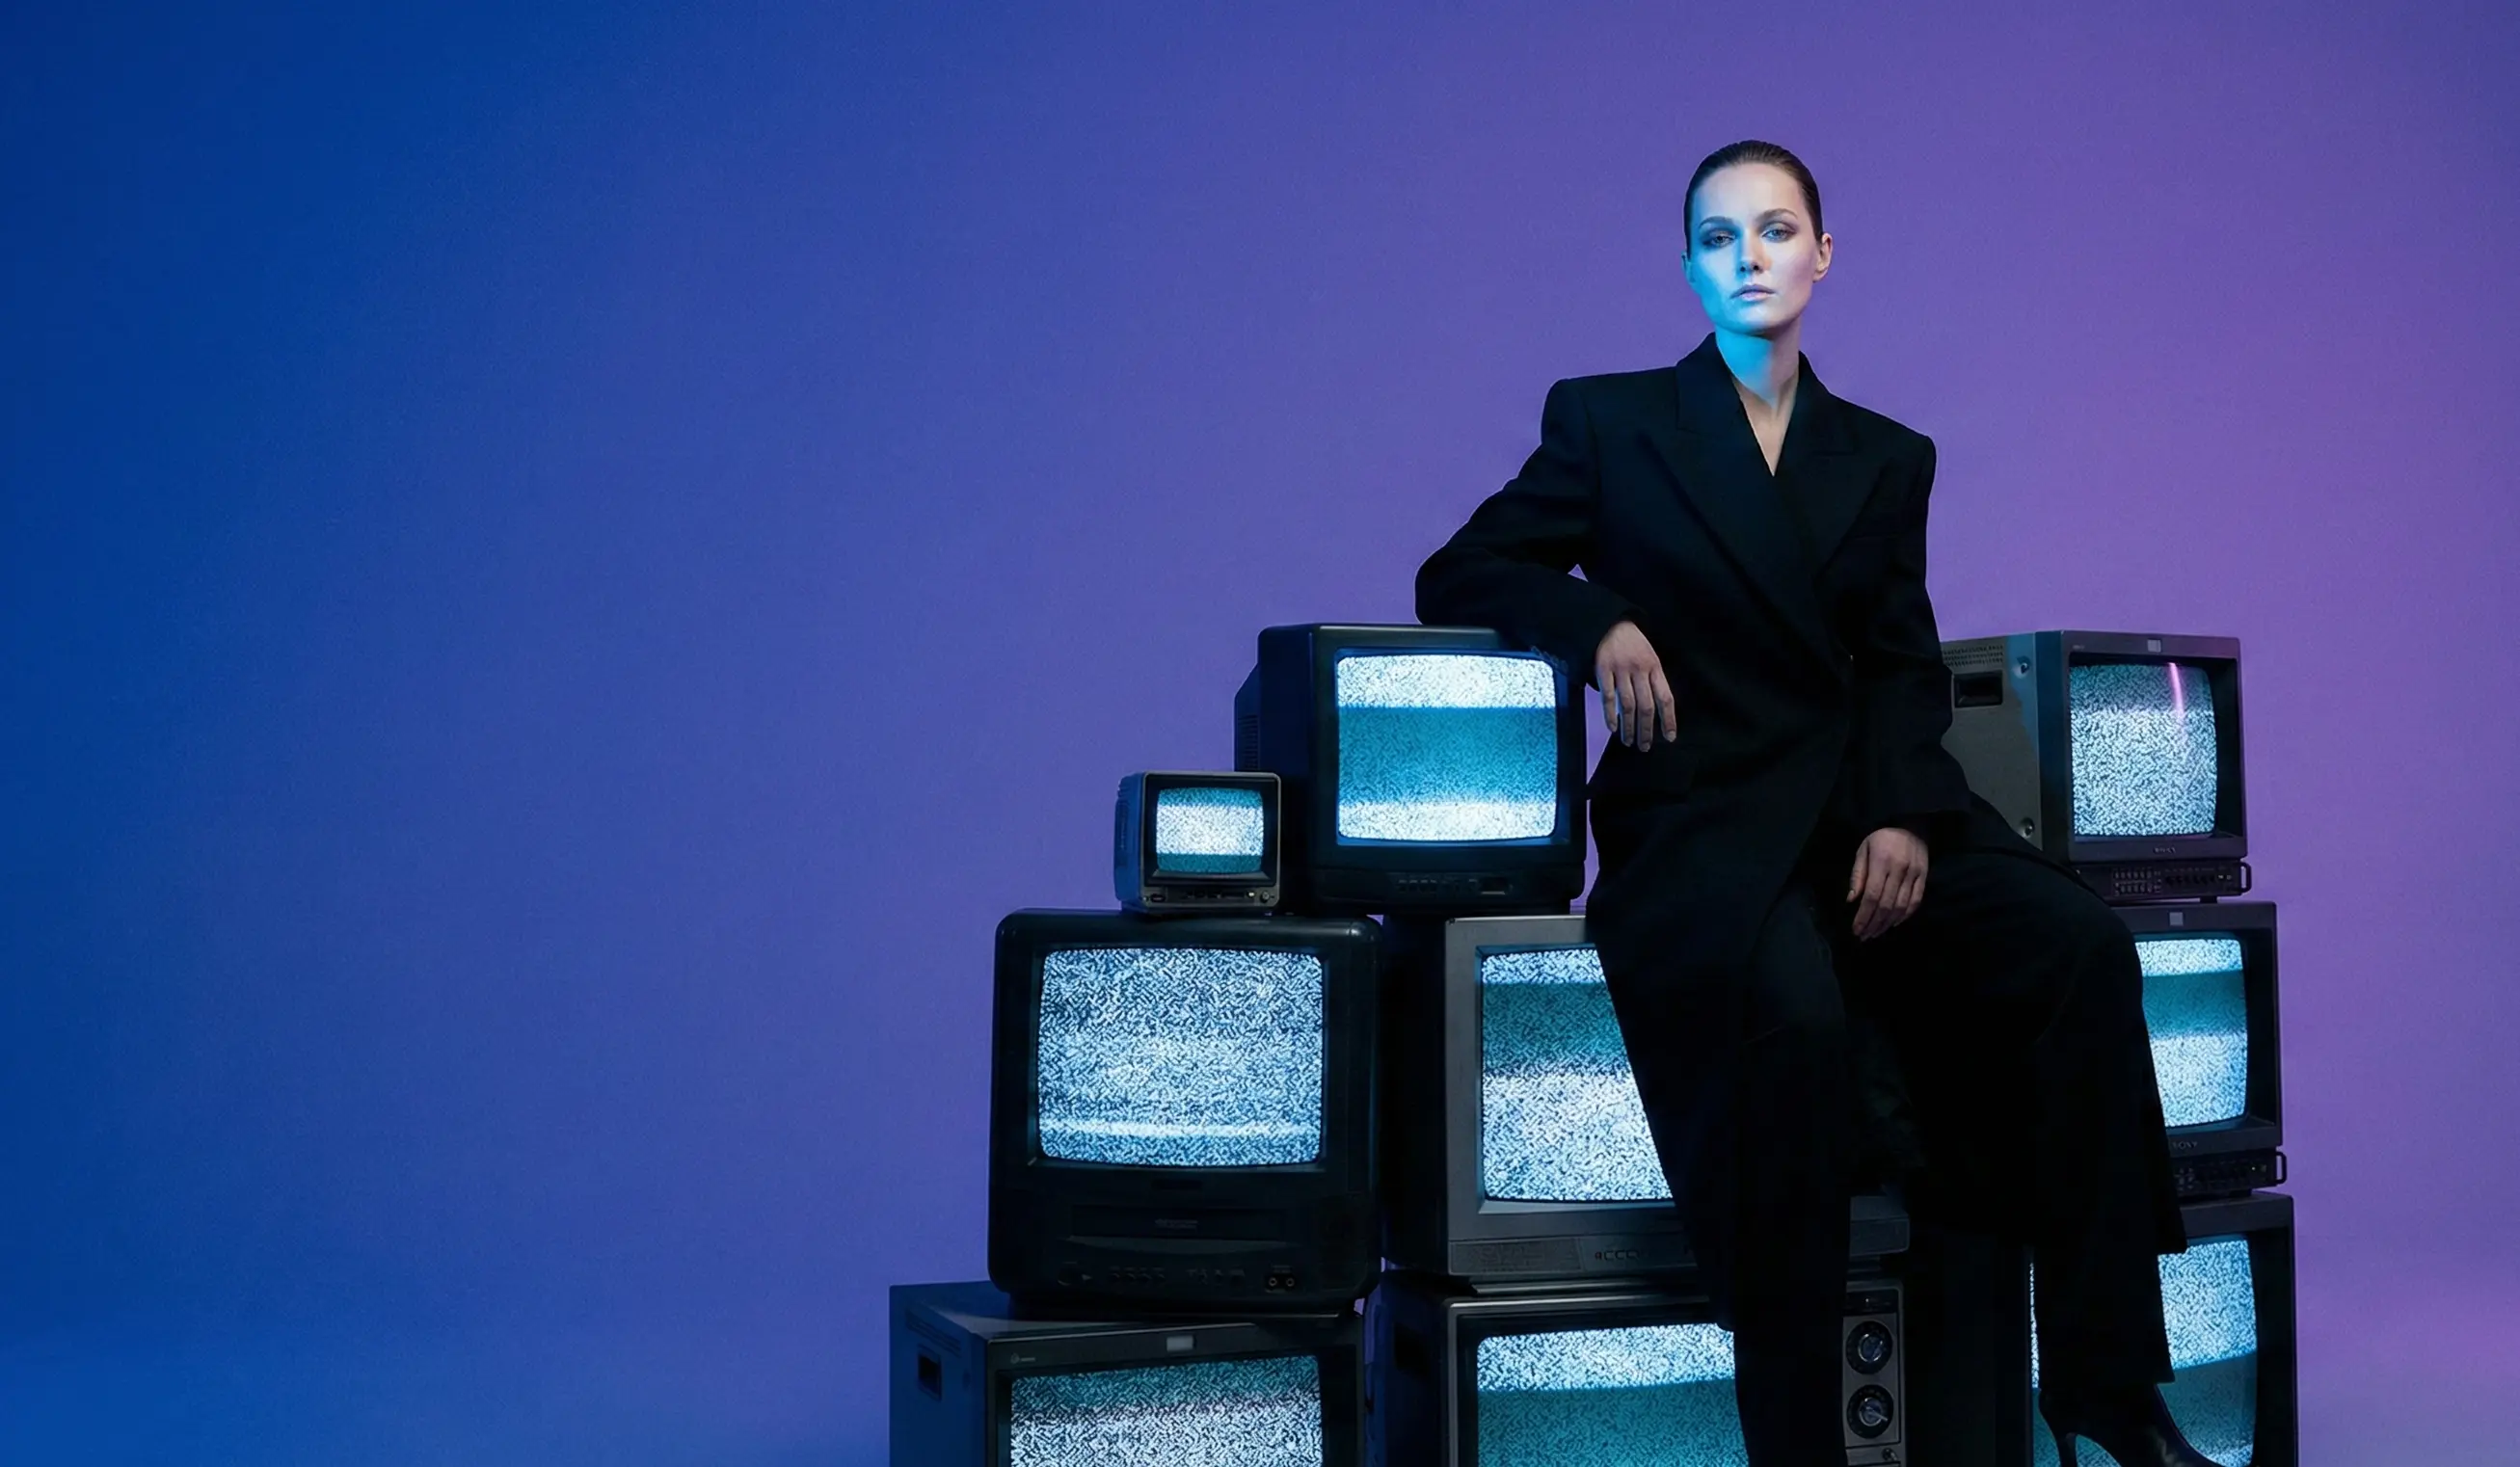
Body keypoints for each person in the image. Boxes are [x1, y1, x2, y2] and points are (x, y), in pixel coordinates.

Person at [1414, 139, 2210, 1467]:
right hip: (1704, 824)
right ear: (1688, 268)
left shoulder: (1886, 456)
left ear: (1823, 256)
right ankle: (1799, 1443)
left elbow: (1899, 663)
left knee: (2077, 946)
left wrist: (1901, 814)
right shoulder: (1612, 422)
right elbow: (1462, 569)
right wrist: (1596, 618)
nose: (1749, 258)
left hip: (1858, 806)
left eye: (1776, 230)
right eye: (1718, 238)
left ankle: (2104, 1383)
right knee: (1788, 1033)